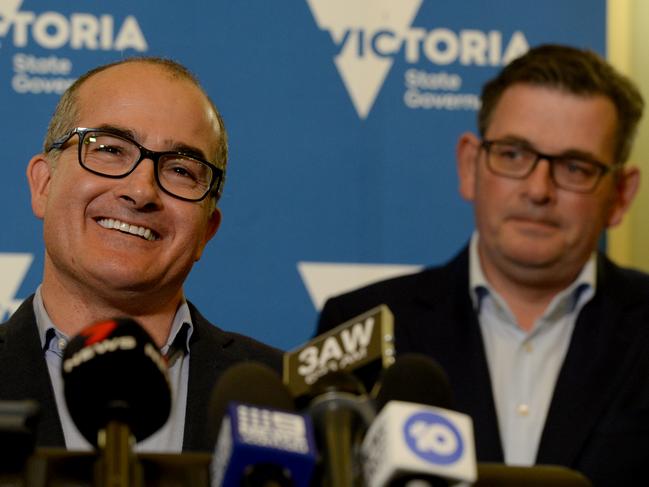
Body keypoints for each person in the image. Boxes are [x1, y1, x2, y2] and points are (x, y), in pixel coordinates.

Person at [317, 44, 649, 486]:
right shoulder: (361, 325)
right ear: (470, 165)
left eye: (575, 166)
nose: (538, 189)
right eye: (513, 154)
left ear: (621, 195)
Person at [0, 58, 281, 452]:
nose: (141, 191)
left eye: (181, 170)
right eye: (110, 149)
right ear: (43, 184)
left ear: (207, 230)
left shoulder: (289, 401)